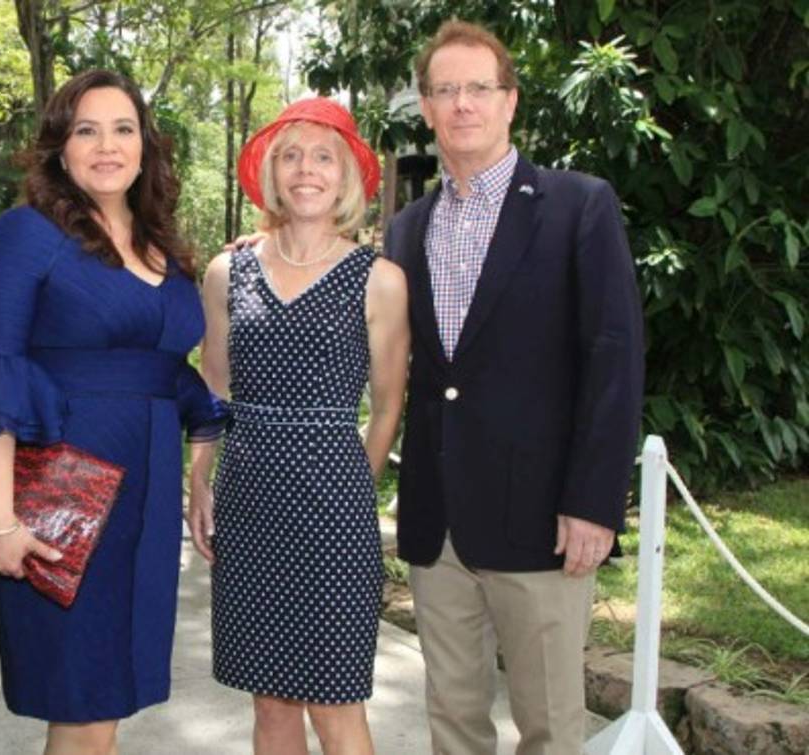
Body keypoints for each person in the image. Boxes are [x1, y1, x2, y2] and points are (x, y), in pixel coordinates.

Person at [0, 69, 224, 755]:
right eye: (85, 130)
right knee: (83, 703)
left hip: (145, 499)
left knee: (108, 701)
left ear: (146, 146)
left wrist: (200, 472)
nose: (107, 145)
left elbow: (168, 375)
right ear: (59, 147)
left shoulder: (163, 245)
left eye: (123, 129)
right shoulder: (23, 236)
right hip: (64, 495)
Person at [383, 20, 645, 755]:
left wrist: (593, 502)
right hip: (439, 525)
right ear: (427, 109)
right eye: (444, 90)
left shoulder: (577, 206)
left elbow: (614, 360)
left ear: (510, 101)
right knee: (454, 724)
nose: (462, 103)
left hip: (544, 522)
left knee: (552, 727)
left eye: (478, 88)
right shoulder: (407, 228)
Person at [188, 98, 411, 754]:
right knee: (270, 705)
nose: (305, 169)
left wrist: (349, 488)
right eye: (291, 155)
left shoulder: (381, 280)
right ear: (271, 173)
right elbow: (213, 386)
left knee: (336, 705)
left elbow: (388, 404)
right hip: (250, 501)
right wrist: (200, 478)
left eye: (322, 156)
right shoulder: (229, 270)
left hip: (333, 511)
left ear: (346, 177)